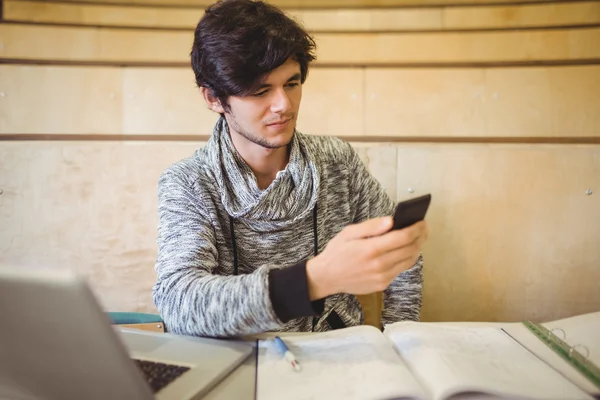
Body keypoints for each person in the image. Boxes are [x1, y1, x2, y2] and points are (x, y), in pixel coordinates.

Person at [153, 0, 428, 338]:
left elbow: (401, 256)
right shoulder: (189, 182)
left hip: (340, 357)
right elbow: (179, 302)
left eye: (292, 84)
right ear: (213, 98)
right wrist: (315, 279)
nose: (283, 105)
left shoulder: (337, 161)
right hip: (240, 365)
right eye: (260, 91)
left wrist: (401, 339)